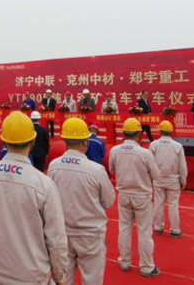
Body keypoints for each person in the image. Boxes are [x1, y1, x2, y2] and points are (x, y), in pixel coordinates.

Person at [0, 111, 69, 285]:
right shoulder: (43, 184)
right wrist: (60, 275)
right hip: (32, 276)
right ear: (32, 141)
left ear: (4, 141)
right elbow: (56, 239)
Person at [48, 118, 116, 285]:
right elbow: (108, 201)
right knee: (92, 279)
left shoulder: (54, 166)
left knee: (64, 279)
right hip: (90, 234)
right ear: (85, 141)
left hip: (62, 232)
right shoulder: (96, 170)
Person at [109, 117, 161, 278]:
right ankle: (147, 266)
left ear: (124, 133)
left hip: (124, 194)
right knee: (144, 231)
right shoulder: (145, 153)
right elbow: (156, 175)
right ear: (139, 134)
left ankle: (124, 261)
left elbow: (112, 169)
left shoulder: (115, 150)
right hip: (141, 195)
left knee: (124, 228)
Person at [149, 121, 188, 239]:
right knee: (173, 205)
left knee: (158, 203)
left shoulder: (153, 145)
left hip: (158, 179)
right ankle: (175, 230)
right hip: (173, 180)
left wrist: (150, 178)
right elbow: (182, 165)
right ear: (171, 131)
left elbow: (149, 164)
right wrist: (183, 180)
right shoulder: (177, 146)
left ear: (160, 131)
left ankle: (157, 227)